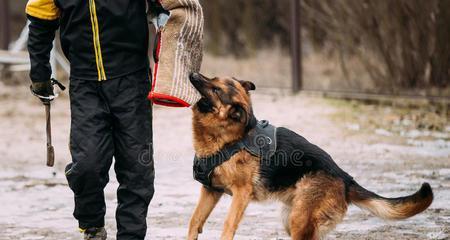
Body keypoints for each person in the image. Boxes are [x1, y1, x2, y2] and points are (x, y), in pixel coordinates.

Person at [26, 0, 155, 239]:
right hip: (85, 84)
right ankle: (92, 225)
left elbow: (175, 7)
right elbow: (39, 23)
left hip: (132, 79)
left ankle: (132, 235)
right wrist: (40, 76)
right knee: (87, 165)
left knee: (136, 169)